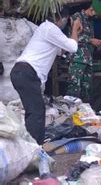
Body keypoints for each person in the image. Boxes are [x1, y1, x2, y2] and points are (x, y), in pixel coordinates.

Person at [10, 8, 82, 144]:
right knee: (37, 112)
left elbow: (63, 50)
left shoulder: (46, 30)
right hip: (27, 73)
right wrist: (74, 29)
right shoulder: (50, 28)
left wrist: (74, 34)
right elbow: (73, 47)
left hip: (22, 72)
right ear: (62, 19)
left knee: (33, 111)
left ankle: (29, 145)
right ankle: (35, 149)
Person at [67, 0, 101, 102]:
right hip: (77, 59)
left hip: (87, 59)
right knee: (74, 87)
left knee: (87, 89)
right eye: (96, 14)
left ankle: (85, 113)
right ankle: (70, 111)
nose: (96, 17)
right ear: (91, 9)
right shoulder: (77, 18)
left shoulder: (90, 22)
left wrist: (95, 42)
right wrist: (91, 40)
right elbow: (72, 38)